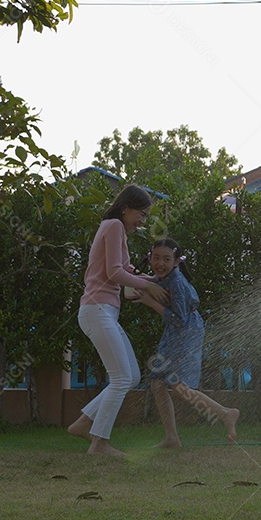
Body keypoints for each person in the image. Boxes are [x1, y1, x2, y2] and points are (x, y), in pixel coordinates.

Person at [67, 185, 169, 457]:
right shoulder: (113, 225)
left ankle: (82, 424)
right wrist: (149, 287)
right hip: (97, 309)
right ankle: (99, 443)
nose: (143, 221)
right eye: (142, 214)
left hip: (104, 311)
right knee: (122, 378)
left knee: (131, 376)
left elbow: (124, 270)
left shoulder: (116, 229)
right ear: (126, 207)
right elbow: (114, 274)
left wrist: (155, 280)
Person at [135, 238, 240, 447]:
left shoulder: (177, 282)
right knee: (157, 383)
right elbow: (154, 280)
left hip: (186, 331)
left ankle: (226, 413)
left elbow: (179, 319)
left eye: (166, 259)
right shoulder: (166, 277)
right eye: (155, 258)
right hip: (175, 333)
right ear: (149, 258)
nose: (160, 263)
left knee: (178, 386)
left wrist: (150, 302)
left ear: (176, 262)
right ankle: (172, 438)